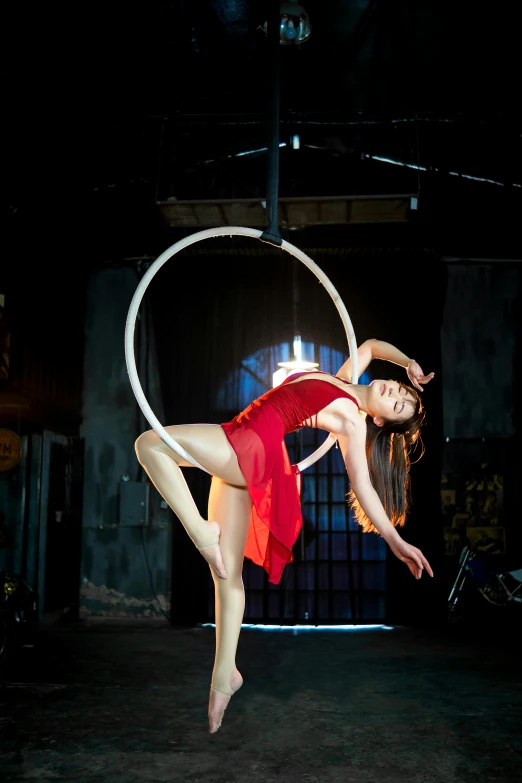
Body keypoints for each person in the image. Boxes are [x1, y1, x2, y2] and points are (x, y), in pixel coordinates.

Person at [135, 338, 435, 733]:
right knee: (226, 573)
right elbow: (372, 345)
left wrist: (396, 541)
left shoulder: (352, 420)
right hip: (248, 444)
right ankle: (225, 676)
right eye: (398, 389)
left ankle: (199, 532)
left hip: (249, 444)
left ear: (381, 421)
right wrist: (409, 361)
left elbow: (363, 487)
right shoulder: (342, 378)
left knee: (150, 444)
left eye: (396, 404)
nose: (393, 391)